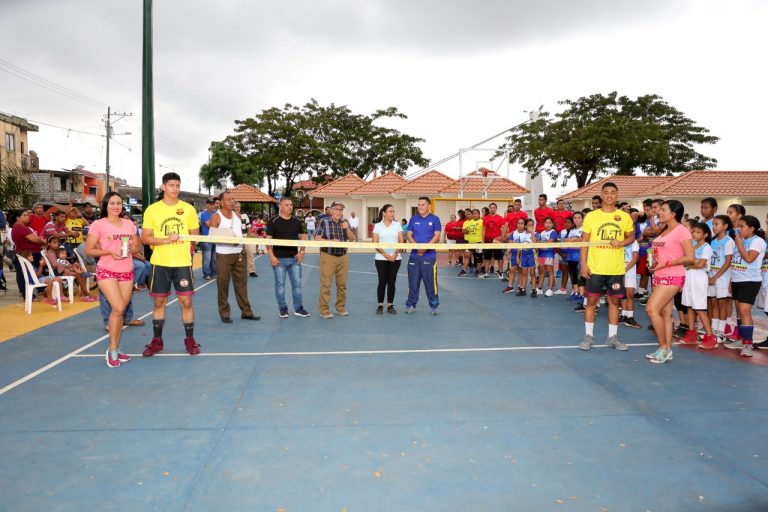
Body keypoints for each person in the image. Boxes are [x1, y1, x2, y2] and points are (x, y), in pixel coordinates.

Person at [140, 172, 201, 357]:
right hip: (160, 263)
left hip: (182, 262)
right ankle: (157, 341)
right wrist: (167, 240)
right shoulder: (152, 210)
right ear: (163, 187)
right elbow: (145, 238)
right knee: (159, 302)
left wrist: (188, 245)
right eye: (171, 185)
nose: (175, 188)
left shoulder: (188, 209)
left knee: (186, 301)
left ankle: (190, 340)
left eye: (177, 185)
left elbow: (195, 237)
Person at [579, 182, 635, 352]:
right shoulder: (591, 216)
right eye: (606, 193)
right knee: (591, 302)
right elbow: (584, 242)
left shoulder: (624, 217)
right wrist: (583, 264)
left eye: (613, 193)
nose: (609, 195)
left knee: (614, 301)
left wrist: (622, 243)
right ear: (601, 195)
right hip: (595, 267)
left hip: (615, 269)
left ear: (617, 195)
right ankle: (588, 336)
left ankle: (612, 337)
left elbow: (631, 238)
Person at [85, 192, 138, 368]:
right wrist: (109, 252)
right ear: (106, 206)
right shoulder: (98, 225)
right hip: (107, 270)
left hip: (126, 270)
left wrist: (132, 246)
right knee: (119, 307)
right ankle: (112, 349)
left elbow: (137, 246)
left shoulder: (129, 224)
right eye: (112, 203)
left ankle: (115, 347)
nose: (116, 206)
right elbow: (89, 250)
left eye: (119, 203)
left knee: (120, 312)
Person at [645, 200, 695, 364]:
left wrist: (666, 263)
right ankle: (667, 350)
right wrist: (652, 264)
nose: (659, 212)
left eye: (663, 210)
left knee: (652, 309)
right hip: (659, 274)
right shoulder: (664, 231)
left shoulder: (682, 231)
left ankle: (664, 348)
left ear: (673, 214)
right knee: (665, 314)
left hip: (672, 275)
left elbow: (690, 258)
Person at [209, 191, 261, 324]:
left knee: (241, 284)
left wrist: (243, 243)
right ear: (221, 202)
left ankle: (246, 312)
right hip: (223, 255)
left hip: (239, 253)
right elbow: (212, 237)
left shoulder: (238, 215)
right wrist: (229, 240)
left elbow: (241, 234)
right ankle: (224, 313)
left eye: (233, 199)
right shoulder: (216, 217)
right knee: (223, 285)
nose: (232, 201)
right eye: (228, 199)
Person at [724, 215, 766, 357]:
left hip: (750, 281)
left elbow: (748, 259)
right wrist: (731, 281)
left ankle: (748, 343)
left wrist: (739, 244)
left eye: (742, 227)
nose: (739, 229)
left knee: (745, 310)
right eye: (738, 226)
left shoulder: (757, 241)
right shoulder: (741, 240)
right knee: (739, 311)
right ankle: (742, 339)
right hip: (737, 280)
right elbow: (735, 262)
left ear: (752, 228)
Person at [266, 197, 311, 318]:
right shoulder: (273, 221)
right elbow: (268, 240)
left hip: (294, 259)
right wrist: (271, 256)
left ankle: (298, 308)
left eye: (291, 205)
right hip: (278, 259)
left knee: (297, 284)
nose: (290, 207)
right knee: (280, 285)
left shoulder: (297, 221)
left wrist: (302, 251)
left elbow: (303, 236)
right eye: (286, 205)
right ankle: (283, 309)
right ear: (280, 206)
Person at [679, 223, 717, 348]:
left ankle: (710, 336)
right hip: (689, 277)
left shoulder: (706, 247)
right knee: (689, 306)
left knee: (699, 308)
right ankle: (691, 334)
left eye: (698, 232)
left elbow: (700, 264)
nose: (694, 234)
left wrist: (690, 264)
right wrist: (692, 263)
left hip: (699, 278)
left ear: (705, 235)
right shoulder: (692, 247)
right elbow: (688, 261)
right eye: (693, 231)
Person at [315, 201, 355, 318]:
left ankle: (340, 307)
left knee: (342, 284)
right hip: (328, 256)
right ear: (331, 210)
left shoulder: (345, 222)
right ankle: (324, 309)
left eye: (341, 209)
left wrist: (347, 229)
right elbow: (317, 238)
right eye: (336, 209)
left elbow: (352, 239)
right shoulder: (324, 221)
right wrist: (331, 242)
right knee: (326, 284)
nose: (339, 212)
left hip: (343, 256)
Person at [405, 197, 441, 314]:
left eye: (423, 205)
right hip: (414, 256)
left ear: (429, 206)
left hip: (429, 257)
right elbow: (409, 235)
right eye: (419, 205)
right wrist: (417, 247)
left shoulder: (435, 219)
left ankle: (434, 306)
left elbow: (437, 236)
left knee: (430, 282)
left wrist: (425, 248)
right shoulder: (413, 219)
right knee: (413, 282)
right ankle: (411, 304)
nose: (420, 207)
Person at [707, 215, 735, 343]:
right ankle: (713, 329)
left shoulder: (729, 241)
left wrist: (715, 277)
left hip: (722, 278)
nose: (714, 226)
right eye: (713, 224)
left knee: (721, 304)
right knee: (713, 304)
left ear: (725, 226)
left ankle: (721, 332)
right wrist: (709, 276)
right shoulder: (713, 241)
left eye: (717, 224)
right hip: (712, 276)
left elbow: (728, 262)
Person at [372, 204, 403, 314]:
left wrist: (394, 254)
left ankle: (390, 305)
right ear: (384, 213)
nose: (392, 213)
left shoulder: (397, 225)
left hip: (396, 258)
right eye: (390, 211)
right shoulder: (378, 226)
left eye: (393, 211)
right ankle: (380, 305)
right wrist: (386, 255)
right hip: (380, 258)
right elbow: (375, 243)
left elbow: (401, 241)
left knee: (392, 282)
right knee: (382, 281)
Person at [10, 210, 46, 300]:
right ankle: (27, 295)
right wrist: (44, 242)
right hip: (25, 254)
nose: (27, 217)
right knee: (24, 275)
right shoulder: (19, 226)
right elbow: (35, 239)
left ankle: (40, 289)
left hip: (29, 253)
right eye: (24, 215)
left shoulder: (21, 226)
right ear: (18, 218)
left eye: (28, 215)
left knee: (31, 273)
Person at [619, 237, 641, 328]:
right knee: (621, 294)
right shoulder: (618, 240)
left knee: (630, 294)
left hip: (629, 271)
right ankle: (623, 315)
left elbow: (635, 258)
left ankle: (630, 317)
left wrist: (625, 270)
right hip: (618, 270)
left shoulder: (634, 242)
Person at [534, 217, 558, 296]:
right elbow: (538, 244)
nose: (547, 224)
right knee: (541, 272)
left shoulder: (553, 232)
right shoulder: (542, 233)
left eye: (549, 223)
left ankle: (550, 289)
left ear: (552, 224)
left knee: (550, 271)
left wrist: (539, 242)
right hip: (541, 254)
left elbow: (549, 242)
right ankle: (540, 288)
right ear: (544, 224)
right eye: (546, 223)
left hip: (549, 254)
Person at [480, 203, 504, 279]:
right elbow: (484, 229)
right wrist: (482, 238)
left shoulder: (500, 218)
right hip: (488, 240)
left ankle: (500, 273)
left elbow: (503, 228)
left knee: (499, 257)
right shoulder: (485, 218)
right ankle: (486, 272)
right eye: (491, 208)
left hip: (497, 241)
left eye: (494, 208)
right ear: (489, 209)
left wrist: (501, 238)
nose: (492, 209)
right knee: (487, 257)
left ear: (496, 209)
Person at [198, 197, 218, 281]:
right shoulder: (204, 214)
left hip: (215, 237)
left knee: (214, 257)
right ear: (207, 205)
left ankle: (213, 273)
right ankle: (206, 274)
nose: (212, 205)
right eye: (210, 204)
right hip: (206, 238)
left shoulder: (216, 213)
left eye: (213, 204)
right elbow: (210, 225)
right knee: (207, 257)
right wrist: (215, 223)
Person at [459, 208, 482, 277]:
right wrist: (466, 230)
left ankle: (478, 270)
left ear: (479, 214)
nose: (474, 215)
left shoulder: (482, 221)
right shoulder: (470, 222)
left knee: (478, 257)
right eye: (473, 213)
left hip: (479, 242)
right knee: (467, 255)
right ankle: (464, 270)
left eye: (476, 213)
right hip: (470, 242)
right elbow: (464, 230)